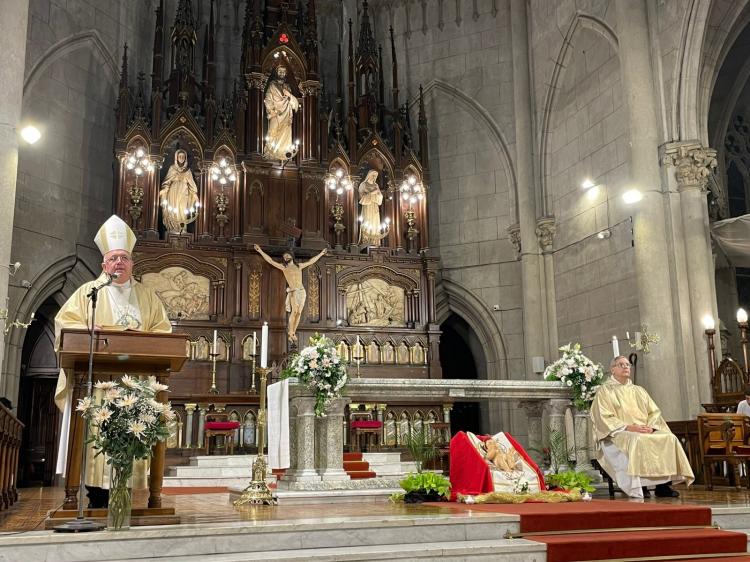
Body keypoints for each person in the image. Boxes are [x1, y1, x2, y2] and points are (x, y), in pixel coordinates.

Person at [54, 215, 172, 507]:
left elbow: (164, 333)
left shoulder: (148, 296)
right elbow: (65, 325)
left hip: (137, 386)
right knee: (98, 445)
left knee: (134, 439)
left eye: (125, 257)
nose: (119, 262)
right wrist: (87, 330)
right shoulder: (88, 293)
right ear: (104, 265)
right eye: (114, 258)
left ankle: (128, 496)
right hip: (98, 386)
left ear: (132, 264)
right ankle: (95, 497)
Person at [590, 355, 694, 499]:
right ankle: (641, 485)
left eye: (628, 364)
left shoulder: (639, 390)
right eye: (621, 364)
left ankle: (663, 486)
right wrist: (629, 427)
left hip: (644, 429)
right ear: (612, 369)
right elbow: (603, 417)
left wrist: (651, 427)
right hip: (620, 432)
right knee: (637, 440)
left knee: (670, 438)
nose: (626, 367)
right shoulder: (605, 391)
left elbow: (654, 412)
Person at [253, 244, 326, 343]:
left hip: (302, 291)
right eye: (284, 257)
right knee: (294, 311)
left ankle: (293, 332)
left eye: (287, 255)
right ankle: (290, 332)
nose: (285, 257)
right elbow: (270, 261)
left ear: (292, 256)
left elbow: (311, 261)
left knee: (299, 312)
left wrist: (321, 254)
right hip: (294, 291)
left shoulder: (299, 266)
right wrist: (260, 251)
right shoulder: (284, 267)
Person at [263, 66, 299, 161]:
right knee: (273, 131)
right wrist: (272, 111)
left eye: (284, 71)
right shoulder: (272, 85)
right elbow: (268, 99)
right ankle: (271, 153)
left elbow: (295, 104)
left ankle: (285, 155)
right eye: (280, 71)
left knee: (286, 135)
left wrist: (289, 95)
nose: (282, 73)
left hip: (286, 115)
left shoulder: (287, 87)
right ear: (276, 72)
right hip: (275, 114)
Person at [159, 149, 199, 233]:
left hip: (184, 193)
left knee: (182, 210)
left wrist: (194, 194)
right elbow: (167, 182)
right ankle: (172, 227)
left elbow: (191, 185)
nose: (181, 158)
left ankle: (182, 228)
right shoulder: (172, 168)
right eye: (179, 156)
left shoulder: (188, 171)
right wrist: (165, 189)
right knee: (172, 208)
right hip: (173, 192)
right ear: (176, 158)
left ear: (185, 159)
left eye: (183, 157)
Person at [358, 170, 384, 247]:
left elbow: (380, 197)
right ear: (369, 175)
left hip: (375, 207)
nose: (374, 177)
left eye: (375, 176)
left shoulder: (376, 185)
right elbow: (361, 197)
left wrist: (376, 194)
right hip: (367, 206)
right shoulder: (363, 184)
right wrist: (372, 193)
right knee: (367, 220)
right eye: (373, 175)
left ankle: (375, 241)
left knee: (375, 222)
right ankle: (366, 240)